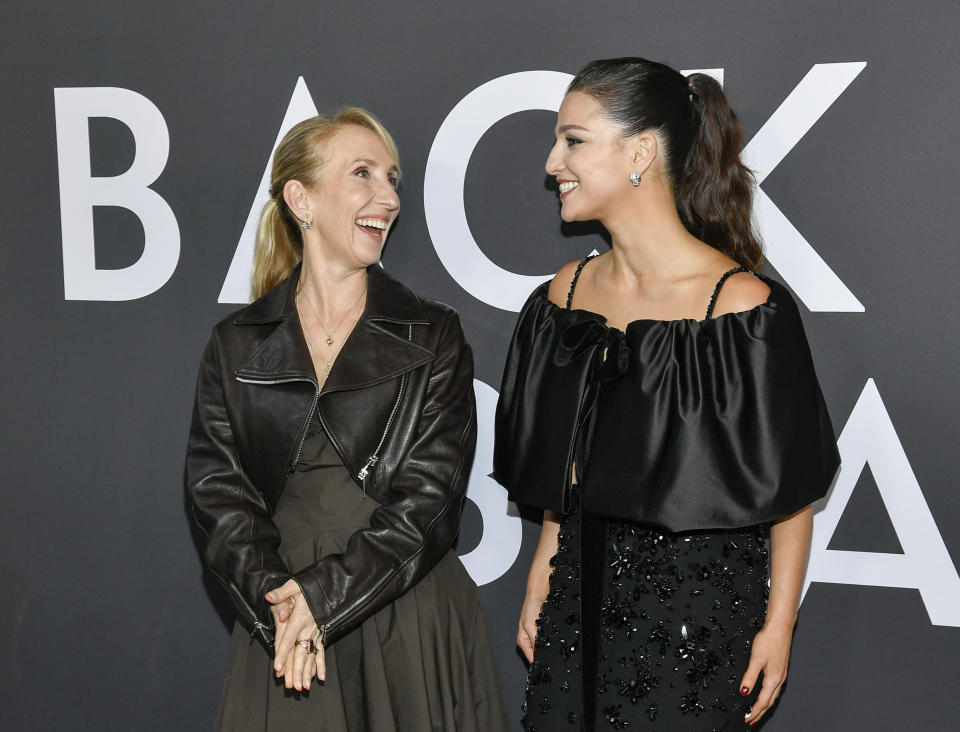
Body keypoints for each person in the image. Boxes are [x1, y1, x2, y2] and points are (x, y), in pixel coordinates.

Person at [494, 58, 841, 730]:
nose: (551, 162)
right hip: (578, 596)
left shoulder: (743, 308)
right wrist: (544, 565)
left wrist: (779, 625)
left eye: (574, 140)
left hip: (697, 616)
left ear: (640, 153)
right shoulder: (563, 297)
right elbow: (566, 462)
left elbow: (788, 488)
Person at [186, 108, 509, 731]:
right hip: (283, 618)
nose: (387, 198)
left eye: (393, 179)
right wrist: (279, 607)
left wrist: (323, 600)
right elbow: (217, 497)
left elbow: (432, 500)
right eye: (363, 174)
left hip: (405, 611)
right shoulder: (234, 344)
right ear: (300, 199)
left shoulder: (433, 332)